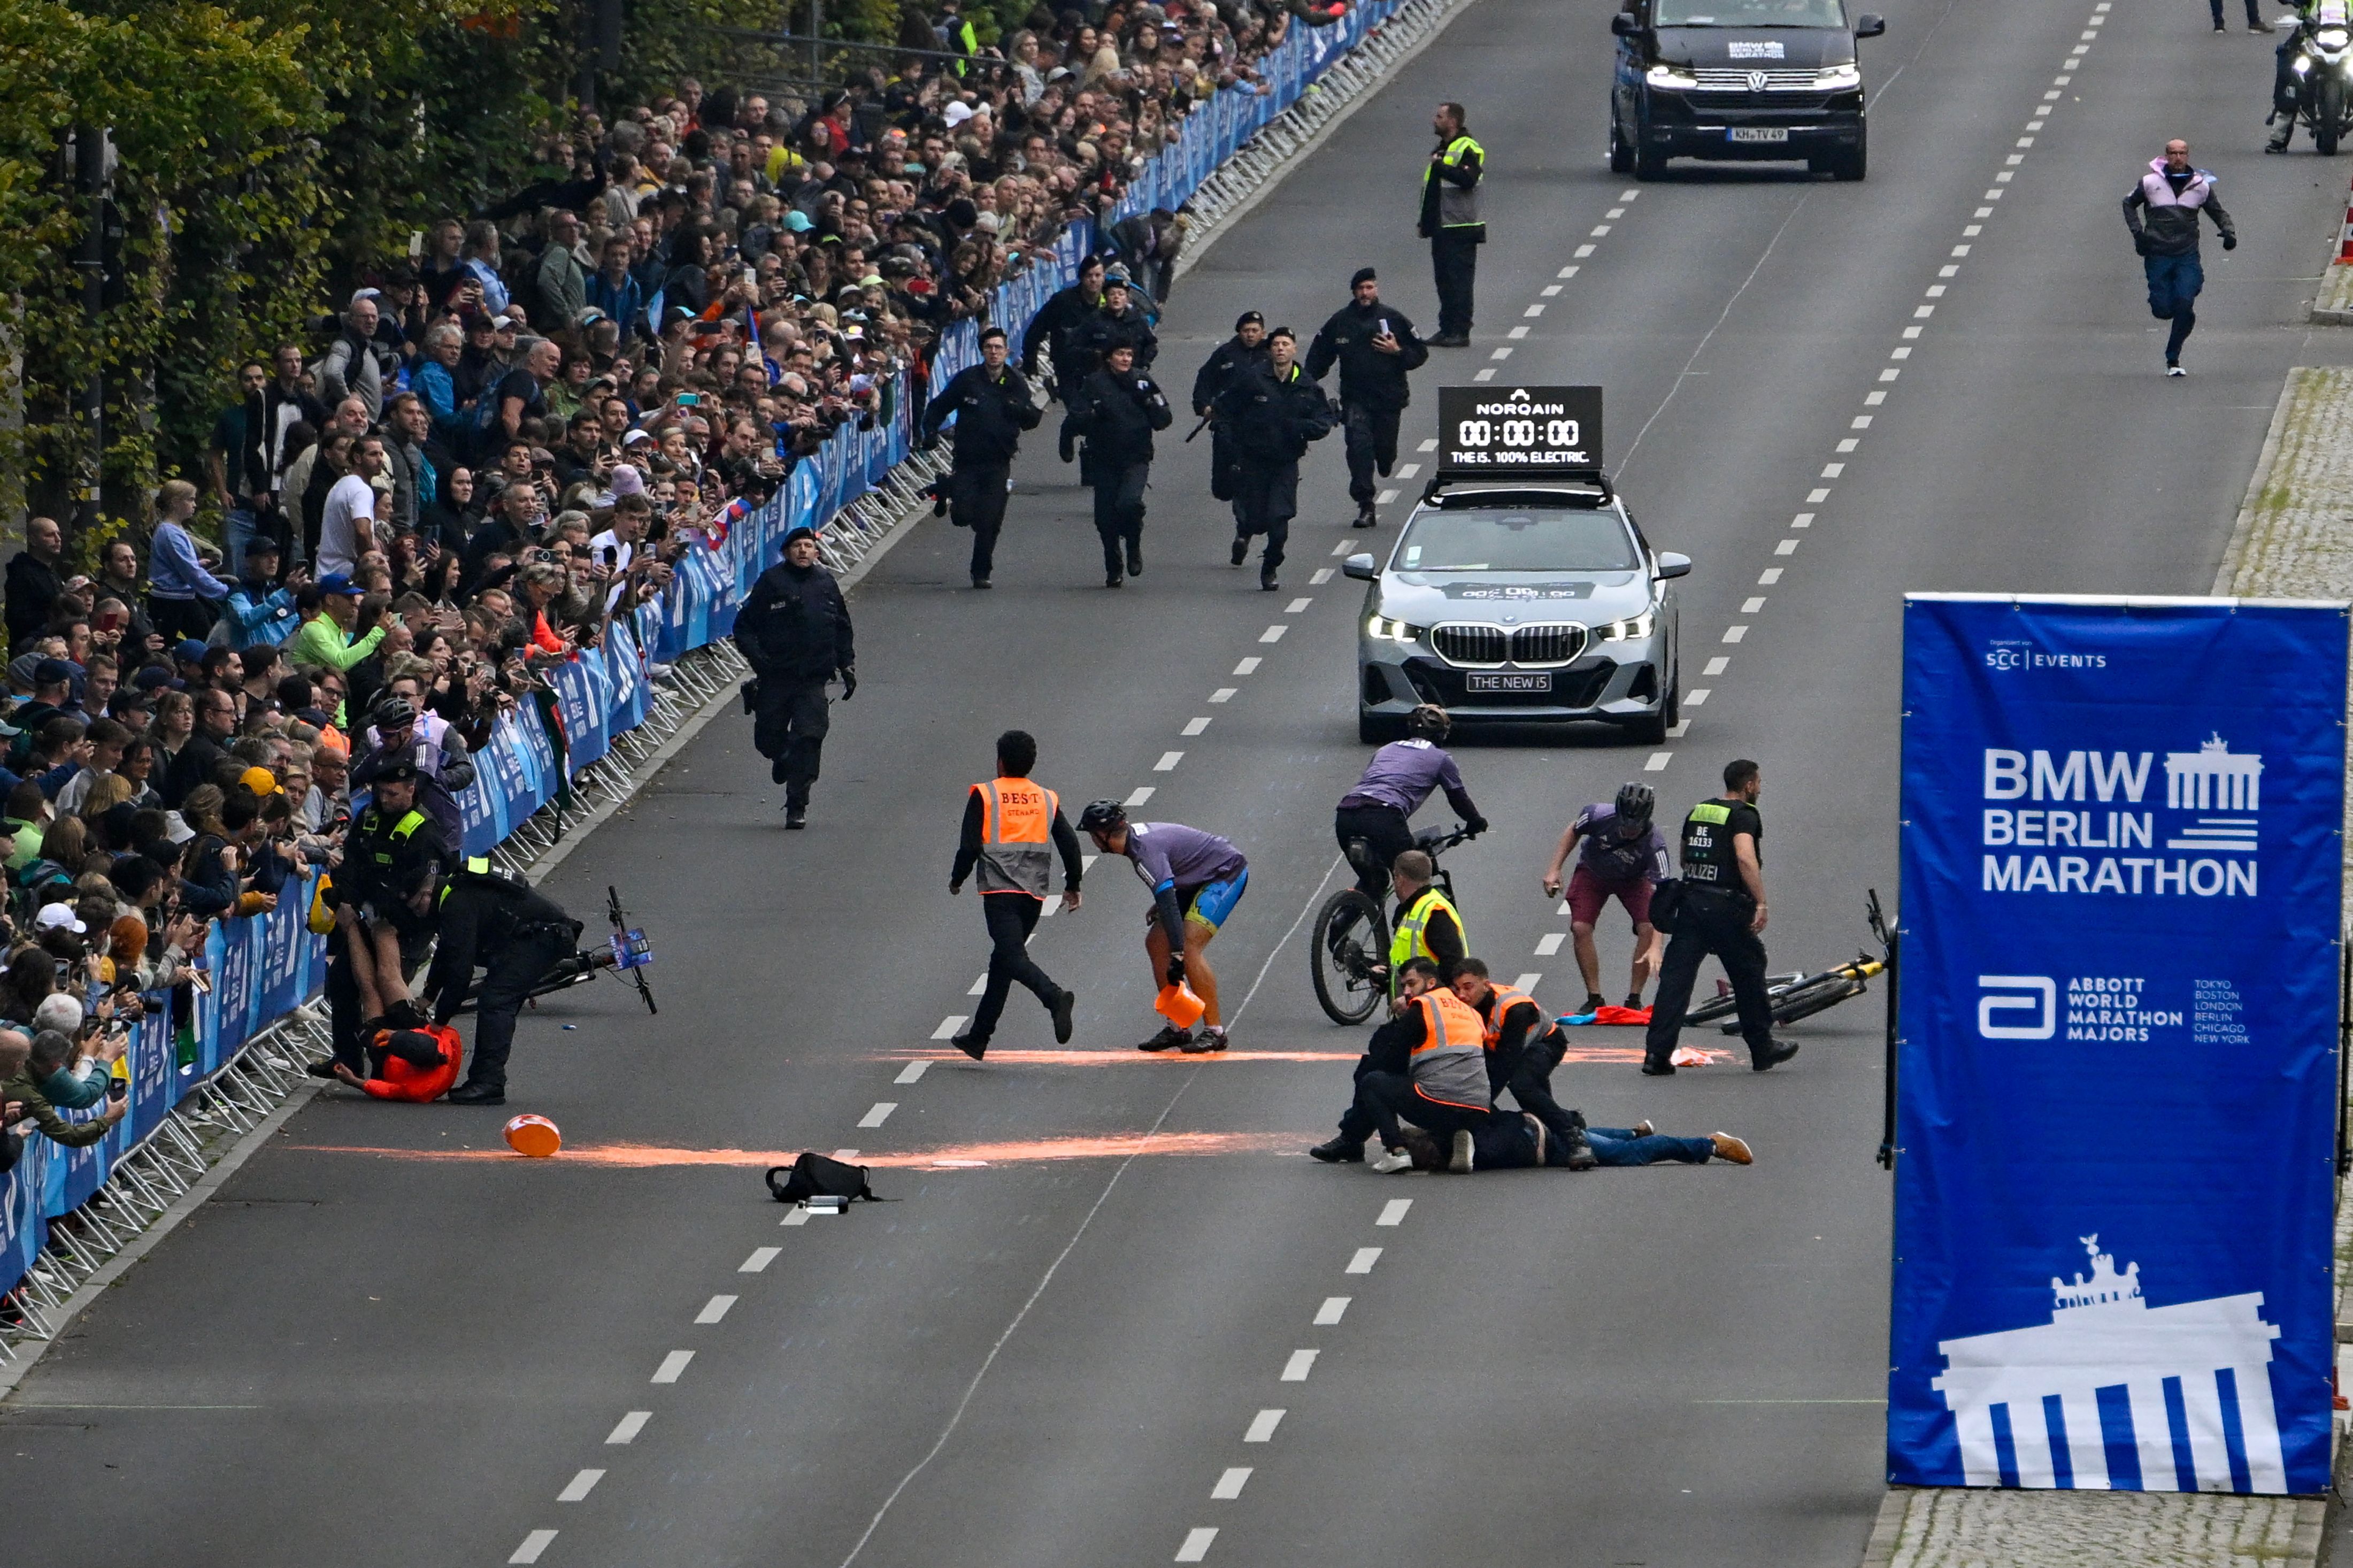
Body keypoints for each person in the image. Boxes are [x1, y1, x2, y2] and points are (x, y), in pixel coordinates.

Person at [1643, 758, 1798, 1075]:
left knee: (1676, 981)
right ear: (1749, 785)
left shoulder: (1699, 810)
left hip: (1691, 905)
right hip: (1726, 909)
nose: (1760, 788)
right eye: (1759, 783)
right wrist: (1761, 902)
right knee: (1749, 974)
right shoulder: (1744, 815)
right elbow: (1744, 856)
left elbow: (1686, 854)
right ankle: (1762, 1047)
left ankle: (1656, 1056)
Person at [948, 729, 1083, 1060]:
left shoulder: (986, 794)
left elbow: (969, 845)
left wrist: (957, 879)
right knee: (1003, 960)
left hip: (1000, 891)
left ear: (1000, 761)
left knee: (1011, 957)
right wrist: (1073, 885)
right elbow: (1069, 842)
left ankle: (1054, 997)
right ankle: (979, 1037)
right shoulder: (1045, 798)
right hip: (1034, 896)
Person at [1076, 798, 1245, 1052]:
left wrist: (1177, 956)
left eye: (1092, 835)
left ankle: (1215, 1032)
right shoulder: (1136, 845)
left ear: (1103, 835)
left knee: (1188, 948)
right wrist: (1164, 908)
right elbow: (1167, 889)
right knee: (1156, 943)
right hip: (1195, 877)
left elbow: (1168, 901)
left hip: (1224, 874)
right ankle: (1179, 1025)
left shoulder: (1144, 854)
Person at [423, 855, 585, 1105]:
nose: (417, 916)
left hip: (544, 936)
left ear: (425, 894)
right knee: (498, 998)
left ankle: (488, 1083)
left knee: (496, 1001)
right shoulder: (453, 891)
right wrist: (429, 995)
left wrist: (439, 1021)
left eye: (415, 907)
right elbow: (449, 949)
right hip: (529, 934)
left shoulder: (457, 903)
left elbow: (460, 971)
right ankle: (486, 1080)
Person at [734, 525, 855, 828]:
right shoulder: (771, 582)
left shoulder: (826, 583)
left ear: (817, 552)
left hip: (813, 678)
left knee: (810, 738)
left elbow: (841, 626)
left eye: (808, 546)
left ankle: (797, 805)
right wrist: (759, 661)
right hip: (776, 678)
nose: (803, 551)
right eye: (797, 546)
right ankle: (782, 756)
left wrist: (847, 666)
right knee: (768, 739)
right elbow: (744, 626)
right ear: (787, 552)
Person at [1210, 326, 1335, 592]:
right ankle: (1244, 532)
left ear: (1294, 349)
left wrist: (1302, 429)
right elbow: (1225, 410)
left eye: (1286, 344)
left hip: (1285, 463)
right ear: (1270, 350)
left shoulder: (1307, 385)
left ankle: (1271, 566)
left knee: (1279, 521)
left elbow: (1324, 420)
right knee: (1255, 518)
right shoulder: (1253, 379)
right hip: (1253, 461)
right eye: (1276, 344)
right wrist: (1233, 443)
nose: (1280, 348)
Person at [920, 326, 1043, 589]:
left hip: (998, 461)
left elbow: (1032, 419)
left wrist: (1020, 409)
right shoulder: (969, 379)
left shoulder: (1014, 382)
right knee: (962, 516)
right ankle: (945, 486)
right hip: (967, 459)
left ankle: (981, 572)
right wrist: (930, 431)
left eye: (999, 347)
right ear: (983, 351)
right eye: (989, 347)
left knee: (989, 523)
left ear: (1007, 351)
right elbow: (940, 406)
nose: (994, 352)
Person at [1305, 267, 1429, 528]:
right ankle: (1366, 504)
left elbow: (1420, 354)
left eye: (1369, 288)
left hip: (1388, 399)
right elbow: (1319, 357)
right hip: (1356, 400)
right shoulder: (1340, 322)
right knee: (1358, 449)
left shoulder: (1393, 319)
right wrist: (1303, 386)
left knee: (1384, 452)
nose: (1365, 293)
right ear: (1354, 292)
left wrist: (1397, 351)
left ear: (1376, 289)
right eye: (1360, 289)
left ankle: (1386, 460)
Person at [1344, 956, 1492, 1174]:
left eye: (1411, 984)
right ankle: (1459, 1137)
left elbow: (1389, 1060)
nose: (1406, 991)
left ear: (1431, 983)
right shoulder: (1470, 1011)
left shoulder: (1423, 1007)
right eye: (1403, 985)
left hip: (1437, 1102)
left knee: (1373, 1082)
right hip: (1479, 1108)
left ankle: (1397, 1152)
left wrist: (1397, 1021)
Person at [1333, 703, 1483, 916]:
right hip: (1384, 817)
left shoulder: (1385, 749)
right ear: (1442, 733)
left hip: (1346, 814)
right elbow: (1458, 798)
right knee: (1417, 878)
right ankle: (1404, 924)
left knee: (1374, 881)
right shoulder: (1441, 759)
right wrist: (1476, 822)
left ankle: (1339, 931)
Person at [1446, 958, 1595, 1166]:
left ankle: (1576, 1140)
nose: (1462, 995)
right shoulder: (1465, 1005)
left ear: (1486, 985)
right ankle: (1567, 1119)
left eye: (1468, 987)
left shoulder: (1515, 1009)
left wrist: (1479, 1103)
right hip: (1506, 1048)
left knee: (1522, 1085)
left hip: (1546, 1042)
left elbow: (1506, 1064)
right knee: (1532, 1102)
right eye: (1457, 989)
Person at [1541, 781, 1672, 1015]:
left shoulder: (1655, 844)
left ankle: (1634, 998)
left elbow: (1664, 897)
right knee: (1580, 928)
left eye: (1636, 826)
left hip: (1634, 880)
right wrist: (1555, 868)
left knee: (1648, 928)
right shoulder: (1597, 815)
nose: (1630, 830)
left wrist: (1656, 945)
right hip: (1593, 872)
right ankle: (1594, 997)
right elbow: (1574, 831)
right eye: (1625, 824)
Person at [335, 760, 445, 1029]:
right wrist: (347, 900)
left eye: (392, 794)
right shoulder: (369, 816)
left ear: (411, 789)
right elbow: (351, 861)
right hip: (370, 912)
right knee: (343, 980)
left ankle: (399, 1053)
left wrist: (390, 916)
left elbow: (425, 886)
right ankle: (347, 1059)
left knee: (390, 988)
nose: (384, 799)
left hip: (408, 923)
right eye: (380, 791)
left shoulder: (424, 829)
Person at [1060, 342, 1172, 588]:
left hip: (1137, 456)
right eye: (1120, 354)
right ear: (1109, 358)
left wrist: (1149, 404)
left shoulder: (1142, 381)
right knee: (1105, 519)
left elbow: (1165, 419)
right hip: (1104, 459)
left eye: (1129, 354)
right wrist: (1087, 420)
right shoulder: (1094, 383)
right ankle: (1113, 564)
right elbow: (1076, 416)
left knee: (1129, 503)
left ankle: (1133, 544)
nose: (1125, 359)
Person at [2122, 139, 2235, 374]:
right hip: (2158, 254)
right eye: (2173, 153)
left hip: (2186, 255)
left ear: (2188, 156)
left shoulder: (2199, 185)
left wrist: (2228, 232)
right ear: (2166, 156)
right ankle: (2180, 316)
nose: (2178, 158)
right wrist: (2138, 234)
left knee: (2185, 300)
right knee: (2162, 310)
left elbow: (2218, 211)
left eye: (2182, 153)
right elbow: (2128, 204)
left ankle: (2173, 358)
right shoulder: (2150, 183)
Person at [1402, 1111, 1751, 1172]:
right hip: (1540, 1129)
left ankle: (1708, 1145)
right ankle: (1633, 1131)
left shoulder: (1462, 1148)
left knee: (1626, 1157)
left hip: (1551, 1145)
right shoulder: (1452, 1127)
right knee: (1598, 1138)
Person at [1190, 311, 1271, 537]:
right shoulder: (1225, 354)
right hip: (1228, 424)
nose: (1250, 335)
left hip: (1260, 427)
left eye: (1255, 330)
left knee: (1247, 476)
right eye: (1246, 330)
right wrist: (1204, 406)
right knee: (1223, 487)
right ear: (1239, 332)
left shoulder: (1271, 354)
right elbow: (1204, 380)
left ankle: (1245, 527)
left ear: (1262, 333)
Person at [1419, 102, 1485, 346]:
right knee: (1445, 282)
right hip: (1442, 226)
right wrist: (1425, 224)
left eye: (1439, 116)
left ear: (1453, 122)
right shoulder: (1443, 148)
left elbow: (1468, 179)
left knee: (1460, 282)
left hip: (1461, 227)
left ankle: (1460, 331)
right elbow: (1433, 191)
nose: (1434, 120)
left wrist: (1441, 166)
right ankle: (1446, 329)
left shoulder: (1468, 148)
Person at [1019, 252, 1108, 401]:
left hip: (1101, 368)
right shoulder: (1063, 301)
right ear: (1081, 277)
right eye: (1089, 276)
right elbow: (1037, 329)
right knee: (1078, 413)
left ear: (1104, 277)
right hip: (1069, 367)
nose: (1094, 280)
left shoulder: (1109, 302)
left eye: (1098, 275)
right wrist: (1030, 360)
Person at [1386, 846, 1465, 996]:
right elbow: (1407, 961)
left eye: (1395, 877)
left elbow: (1454, 965)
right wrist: (1385, 977)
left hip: (1433, 1013)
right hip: (1415, 1012)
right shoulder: (1413, 909)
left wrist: (1420, 997)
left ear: (1400, 879)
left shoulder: (1435, 913)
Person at [330, 1024, 464, 1103]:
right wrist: (396, 1035)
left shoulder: (417, 1089)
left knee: (373, 1020)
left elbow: (386, 1090)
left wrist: (353, 1080)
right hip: (415, 1046)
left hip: (387, 1069)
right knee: (393, 998)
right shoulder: (447, 1037)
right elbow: (425, 1031)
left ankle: (361, 1031)